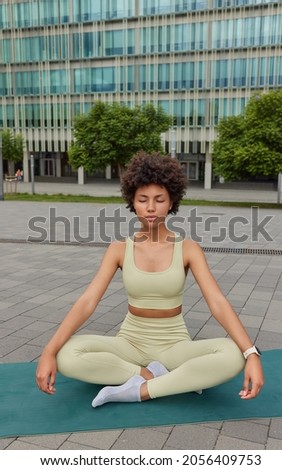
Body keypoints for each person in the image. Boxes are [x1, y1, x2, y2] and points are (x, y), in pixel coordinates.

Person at [36, 152, 264, 406]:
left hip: (174, 345)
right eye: (143, 200)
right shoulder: (119, 249)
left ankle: (137, 391)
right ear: (133, 202)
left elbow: (217, 302)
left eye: (159, 199)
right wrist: (49, 350)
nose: (151, 208)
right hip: (130, 343)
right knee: (66, 354)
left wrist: (251, 353)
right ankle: (155, 377)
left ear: (171, 202)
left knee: (233, 355)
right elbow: (89, 300)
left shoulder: (188, 249)